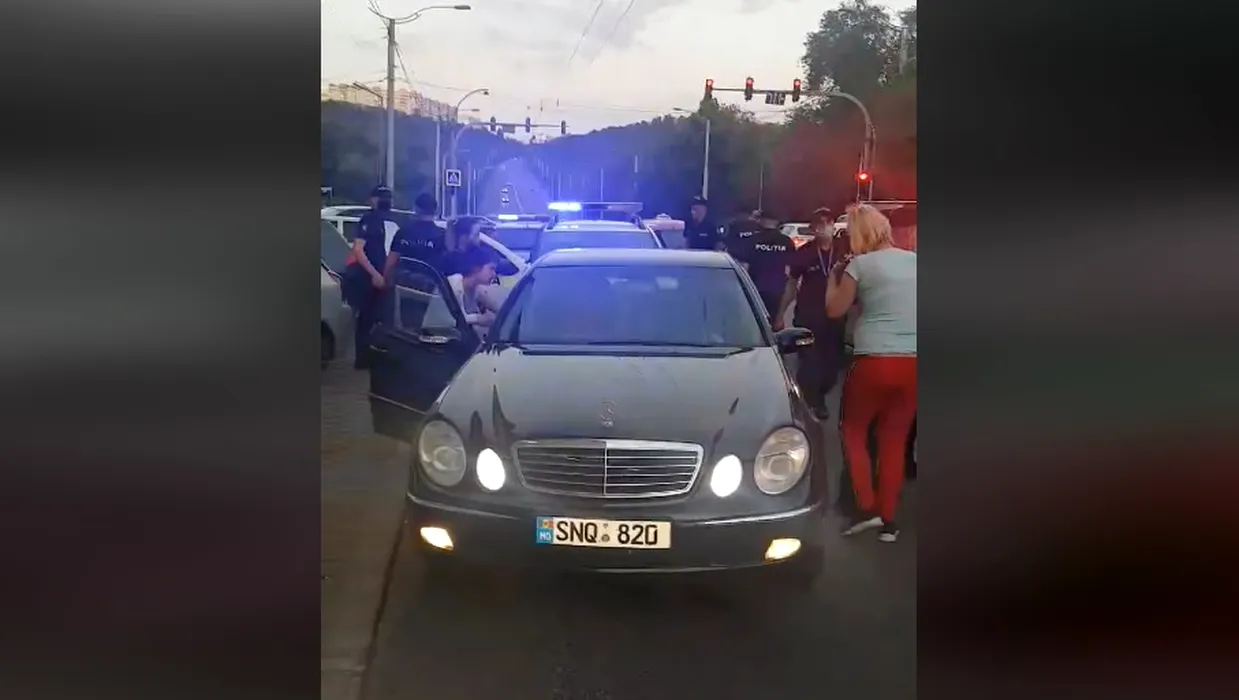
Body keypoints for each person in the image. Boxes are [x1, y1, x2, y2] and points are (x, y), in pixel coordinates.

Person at [825, 203, 916, 543]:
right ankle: (889, 519)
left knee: (853, 430)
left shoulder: (859, 266)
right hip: (913, 362)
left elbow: (834, 310)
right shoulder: (915, 261)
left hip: (873, 359)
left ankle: (866, 506)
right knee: (895, 439)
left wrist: (834, 278)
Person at [774, 207, 847, 420]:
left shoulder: (843, 250)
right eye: (819, 224)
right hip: (809, 315)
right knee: (810, 362)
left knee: (832, 366)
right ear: (813, 228)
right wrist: (780, 314)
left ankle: (820, 393)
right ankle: (813, 402)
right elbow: (791, 285)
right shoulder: (804, 253)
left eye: (828, 222)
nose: (824, 227)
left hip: (835, 316)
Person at [341, 185, 395, 370]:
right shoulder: (369, 219)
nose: (385, 201)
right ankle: (364, 360)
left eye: (387, 197)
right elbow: (358, 250)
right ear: (372, 200)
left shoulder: (390, 220)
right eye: (381, 197)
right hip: (369, 279)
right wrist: (375, 274)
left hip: (384, 277)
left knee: (380, 319)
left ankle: (374, 358)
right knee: (367, 319)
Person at [731, 209, 793, 322]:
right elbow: (788, 271)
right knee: (773, 325)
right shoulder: (786, 242)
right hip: (777, 291)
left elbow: (744, 267)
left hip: (755, 290)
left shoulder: (751, 240)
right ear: (777, 222)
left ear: (762, 220)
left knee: (754, 323)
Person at [446, 247, 501, 339]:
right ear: (476, 268)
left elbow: (499, 308)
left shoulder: (476, 288)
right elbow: (452, 320)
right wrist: (479, 319)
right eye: (491, 269)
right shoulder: (454, 285)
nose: (494, 274)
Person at [389, 192, 447, 273]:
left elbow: (391, 261)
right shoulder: (442, 235)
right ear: (436, 211)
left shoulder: (403, 232)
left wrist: (385, 278)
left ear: (416, 209)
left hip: (405, 278)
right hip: (431, 279)